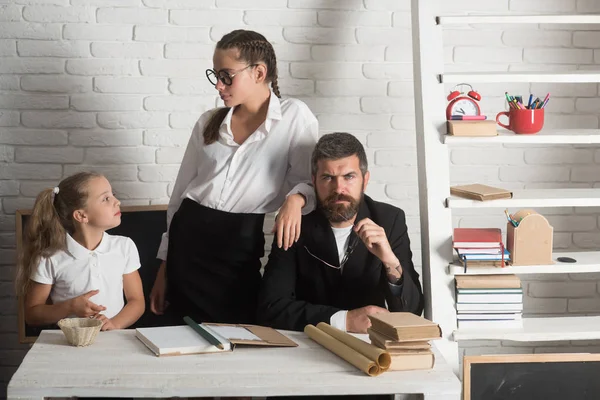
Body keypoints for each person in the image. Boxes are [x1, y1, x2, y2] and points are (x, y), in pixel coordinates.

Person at [150, 29, 318, 326]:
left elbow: (309, 180)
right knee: (184, 336)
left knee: (239, 332)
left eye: (226, 75)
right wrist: (164, 267)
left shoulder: (295, 117)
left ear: (258, 72)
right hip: (188, 240)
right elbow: (179, 197)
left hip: (238, 242)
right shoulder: (208, 122)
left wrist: (296, 198)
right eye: (215, 75)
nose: (218, 85)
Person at [257, 132, 424, 334]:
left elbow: (411, 311)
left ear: (365, 179)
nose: (339, 188)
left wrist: (390, 262)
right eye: (328, 177)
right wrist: (344, 320)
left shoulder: (390, 220)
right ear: (314, 181)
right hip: (307, 344)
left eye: (349, 177)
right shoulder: (295, 222)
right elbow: (270, 308)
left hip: (370, 347)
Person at [16, 172, 145, 331]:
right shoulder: (49, 257)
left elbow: (137, 301)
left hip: (114, 342)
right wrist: (69, 307)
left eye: (114, 195)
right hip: (69, 344)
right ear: (81, 215)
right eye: (106, 199)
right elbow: (32, 314)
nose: (117, 202)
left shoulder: (124, 247)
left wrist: (114, 324)